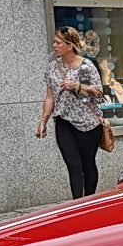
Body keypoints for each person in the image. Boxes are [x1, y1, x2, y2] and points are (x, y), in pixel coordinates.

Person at [37, 27, 105, 199]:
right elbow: (50, 96)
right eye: (54, 42)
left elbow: (98, 93)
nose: (54, 46)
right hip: (64, 121)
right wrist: (43, 121)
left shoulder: (87, 66)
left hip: (88, 123)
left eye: (58, 42)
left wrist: (78, 87)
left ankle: (89, 200)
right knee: (73, 164)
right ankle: (77, 203)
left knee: (87, 163)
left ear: (70, 45)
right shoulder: (53, 67)